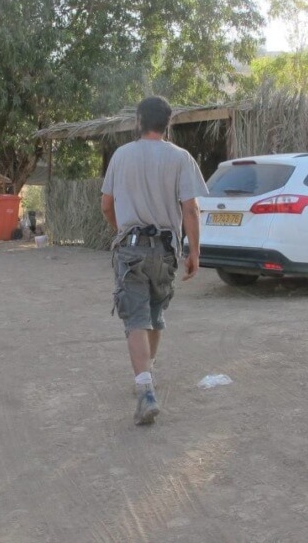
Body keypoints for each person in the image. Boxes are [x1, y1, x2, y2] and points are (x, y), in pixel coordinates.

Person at [100, 96, 208, 425]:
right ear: (167, 124)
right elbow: (190, 210)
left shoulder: (121, 155)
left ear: (138, 121)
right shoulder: (181, 158)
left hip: (131, 248)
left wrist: (123, 232)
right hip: (165, 250)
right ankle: (149, 371)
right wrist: (194, 252)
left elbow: (106, 204)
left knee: (136, 318)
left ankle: (145, 388)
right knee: (155, 313)